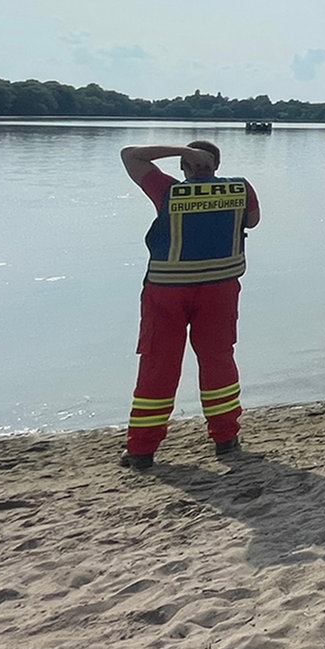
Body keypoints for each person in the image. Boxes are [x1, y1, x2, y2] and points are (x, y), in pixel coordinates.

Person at [118, 140, 260, 471]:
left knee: (159, 365)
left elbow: (130, 155)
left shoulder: (168, 191)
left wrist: (181, 150)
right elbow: (252, 222)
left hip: (167, 290)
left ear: (184, 168)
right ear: (218, 166)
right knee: (218, 362)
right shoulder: (241, 190)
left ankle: (141, 450)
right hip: (220, 288)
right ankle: (226, 440)